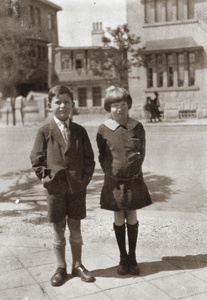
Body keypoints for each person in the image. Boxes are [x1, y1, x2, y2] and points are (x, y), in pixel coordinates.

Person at [30, 85, 95, 286]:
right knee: (58, 230)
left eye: (67, 102)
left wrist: (82, 181)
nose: (62, 106)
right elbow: (37, 159)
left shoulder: (79, 131)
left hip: (76, 189)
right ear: (50, 105)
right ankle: (61, 267)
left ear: (72, 105)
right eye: (58, 102)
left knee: (75, 229)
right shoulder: (44, 132)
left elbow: (89, 160)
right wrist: (47, 179)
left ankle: (78, 264)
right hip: (55, 190)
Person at [96, 86, 152, 276]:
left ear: (128, 105)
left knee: (132, 216)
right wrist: (112, 174)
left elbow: (141, 152)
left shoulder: (137, 127)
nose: (119, 109)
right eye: (114, 105)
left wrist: (133, 171)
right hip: (114, 182)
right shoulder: (104, 129)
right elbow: (102, 156)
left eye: (122, 104)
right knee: (118, 217)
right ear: (108, 108)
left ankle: (133, 258)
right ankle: (122, 258)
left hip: (134, 180)